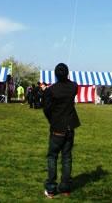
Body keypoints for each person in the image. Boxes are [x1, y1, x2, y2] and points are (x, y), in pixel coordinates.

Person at [43, 63, 80, 198]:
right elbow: (72, 85)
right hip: (70, 127)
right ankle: (65, 187)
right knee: (66, 157)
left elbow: (46, 109)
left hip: (57, 128)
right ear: (67, 74)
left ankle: (51, 188)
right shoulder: (73, 87)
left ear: (55, 75)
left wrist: (52, 120)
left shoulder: (50, 91)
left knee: (52, 156)